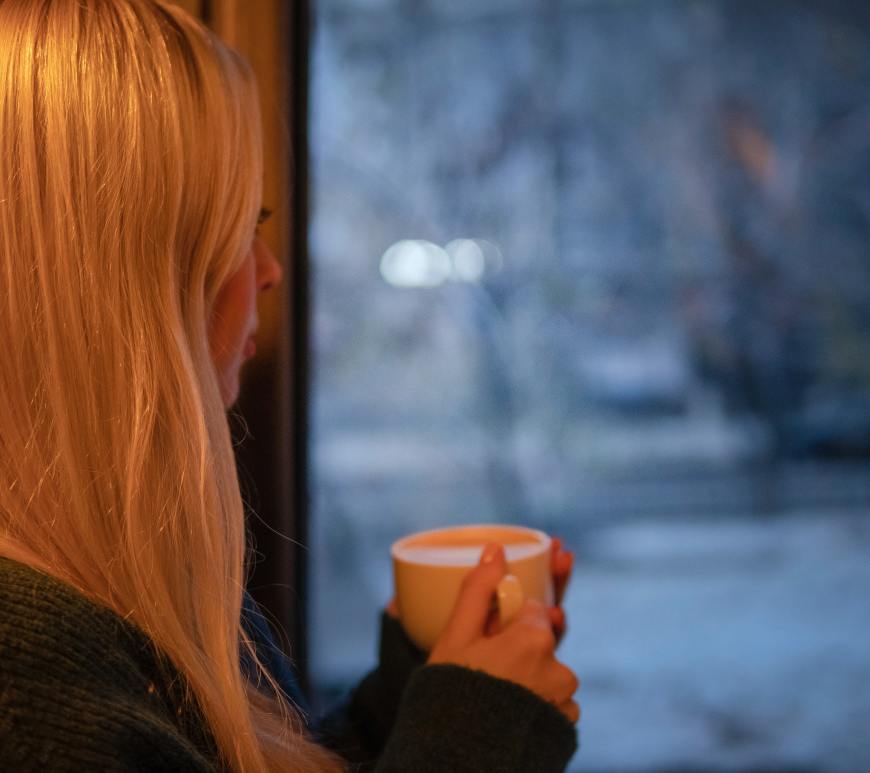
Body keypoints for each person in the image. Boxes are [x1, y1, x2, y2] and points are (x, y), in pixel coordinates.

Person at [0, 1, 580, 771]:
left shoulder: (115, 585)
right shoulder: (32, 683)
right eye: (241, 226)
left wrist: (412, 698)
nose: (269, 270)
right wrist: (472, 739)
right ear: (122, 287)